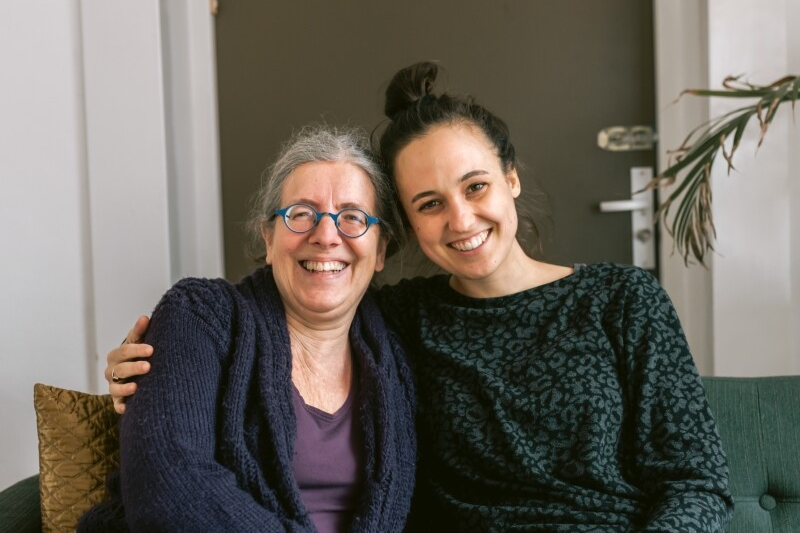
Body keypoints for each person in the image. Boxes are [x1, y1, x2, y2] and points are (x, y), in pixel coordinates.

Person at [105, 62, 733, 532]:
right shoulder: (403, 320)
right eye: (429, 204)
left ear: (511, 180)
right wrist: (145, 369)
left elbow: (696, 484)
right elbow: (293, 319)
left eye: (476, 186)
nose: (460, 220)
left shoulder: (621, 299)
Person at [79, 124, 417, 533]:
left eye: (352, 217)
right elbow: (168, 488)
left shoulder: (402, 346)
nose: (326, 236)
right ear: (269, 237)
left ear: (380, 249)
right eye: (302, 215)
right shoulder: (199, 316)